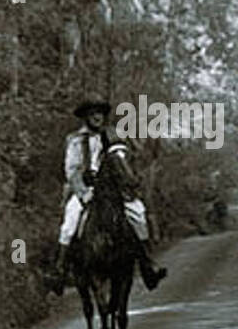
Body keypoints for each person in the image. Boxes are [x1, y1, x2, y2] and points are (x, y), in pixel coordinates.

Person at [48, 96, 168, 294]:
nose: (97, 117)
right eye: (93, 114)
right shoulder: (76, 140)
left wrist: (129, 183)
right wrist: (82, 192)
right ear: (86, 117)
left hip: (114, 190)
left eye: (100, 113)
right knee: (70, 222)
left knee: (138, 213)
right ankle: (59, 270)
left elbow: (126, 160)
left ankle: (148, 265)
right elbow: (71, 170)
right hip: (86, 189)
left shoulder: (114, 135)